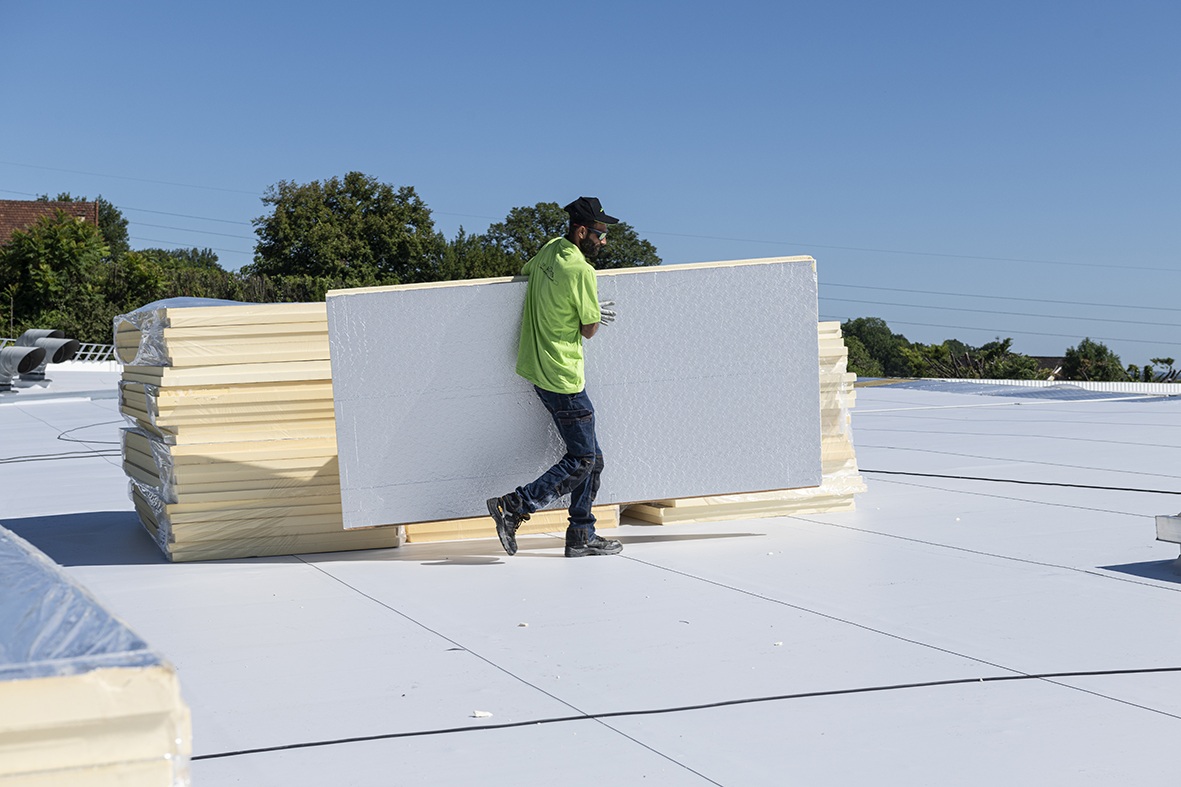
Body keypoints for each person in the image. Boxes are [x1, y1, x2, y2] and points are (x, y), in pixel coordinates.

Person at [486, 196, 624, 558]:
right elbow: (589, 328)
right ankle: (514, 505)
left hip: (538, 369)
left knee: (592, 458)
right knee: (583, 460)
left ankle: (581, 534)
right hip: (564, 376)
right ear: (582, 232)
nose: (604, 240)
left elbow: (527, 272)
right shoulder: (581, 270)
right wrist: (591, 309)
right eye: (600, 233)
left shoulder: (550, 250)